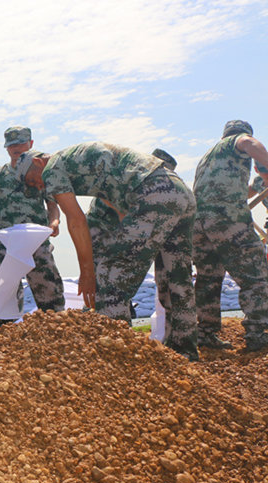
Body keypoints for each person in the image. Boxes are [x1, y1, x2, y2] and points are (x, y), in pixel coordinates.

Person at [17, 142, 199, 360]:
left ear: (37, 162)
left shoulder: (52, 168)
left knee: (111, 276)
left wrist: (87, 273)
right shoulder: (77, 160)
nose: (38, 187)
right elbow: (113, 197)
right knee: (175, 278)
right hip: (179, 192)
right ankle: (184, 352)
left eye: (32, 181)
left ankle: (117, 360)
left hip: (152, 194)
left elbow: (76, 221)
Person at [0, 126, 64, 324]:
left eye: (21, 143)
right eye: (12, 145)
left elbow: (52, 205)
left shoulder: (42, 172)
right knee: (6, 295)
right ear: (6, 148)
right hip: (6, 244)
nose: (16, 148)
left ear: (31, 144)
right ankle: (6, 338)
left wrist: (54, 222)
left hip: (36, 243)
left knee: (50, 293)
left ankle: (55, 334)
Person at [193, 120, 268, 352]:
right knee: (255, 275)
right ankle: (258, 335)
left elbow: (242, 191)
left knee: (209, 278)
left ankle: (205, 334)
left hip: (199, 223)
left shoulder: (209, 157)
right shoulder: (238, 142)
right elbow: (249, 143)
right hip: (227, 219)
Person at [86, 148, 178, 325]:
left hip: (119, 232)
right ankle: (107, 325)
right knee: (105, 279)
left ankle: (117, 320)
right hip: (101, 229)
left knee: (117, 280)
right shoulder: (130, 174)